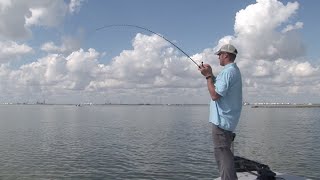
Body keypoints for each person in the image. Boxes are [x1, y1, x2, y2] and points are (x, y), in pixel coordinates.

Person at [199, 44, 242, 180]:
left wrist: (207, 77)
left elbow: (215, 95)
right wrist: (210, 74)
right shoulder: (232, 71)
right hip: (226, 120)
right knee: (223, 153)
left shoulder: (228, 72)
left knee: (223, 154)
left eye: (219, 54)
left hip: (222, 121)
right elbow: (220, 87)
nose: (218, 57)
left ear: (226, 55)